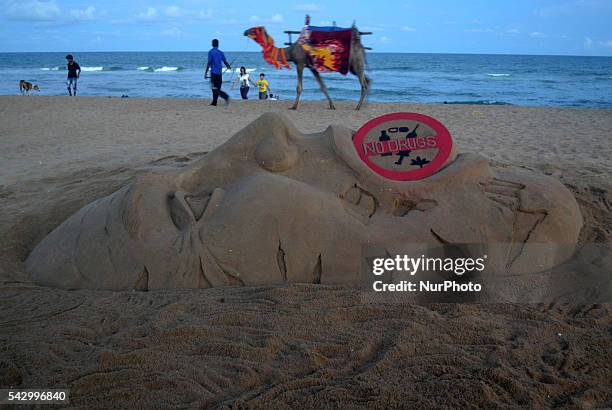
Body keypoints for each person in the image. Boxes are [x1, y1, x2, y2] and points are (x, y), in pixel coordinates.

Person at [205, 39, 231, 106]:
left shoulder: (210, 52)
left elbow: (209, 62)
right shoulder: (221, 52)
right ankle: (214, 102)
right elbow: (225, 61)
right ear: (218, 44)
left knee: (214, 88)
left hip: (213, 73)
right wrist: (228, 66)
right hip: (219, 74)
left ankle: (225, 96)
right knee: (217, 88)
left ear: (212, 44)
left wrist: (206, 72)